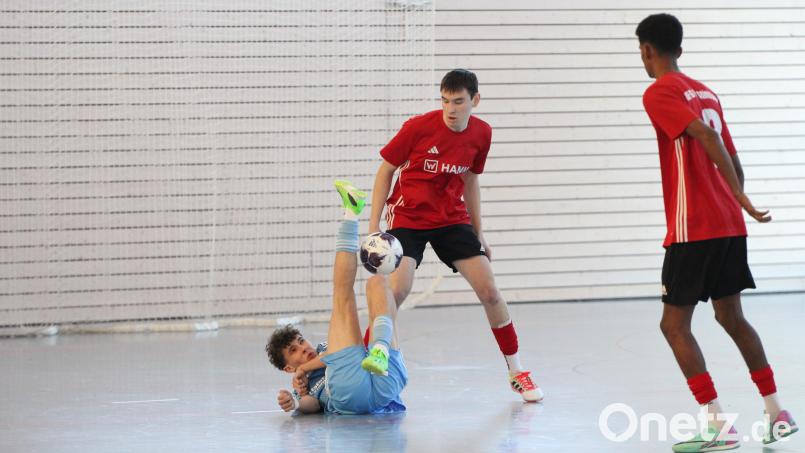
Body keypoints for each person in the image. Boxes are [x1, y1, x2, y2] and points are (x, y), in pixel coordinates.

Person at [636, 13, 798, 452]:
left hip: (695, 230)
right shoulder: (705, 91)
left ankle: (717, 423)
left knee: (674, 326)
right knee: (731, 315)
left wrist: (740, 200)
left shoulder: (659, 91)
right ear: (681, 49)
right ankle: (775, 412)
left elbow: (706, 138)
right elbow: (728, 148)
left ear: (647, 50)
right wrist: (738, 200)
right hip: (728, 226)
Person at [367, 69, 542, 402]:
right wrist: (374, 226)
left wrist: (480, 234)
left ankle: (517, 371)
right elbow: (386, 169)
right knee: (398, 289)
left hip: (451, 219)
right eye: (445, 101)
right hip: (409, 217)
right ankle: (375, 353)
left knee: (490, 291)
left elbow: (471, 181)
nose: (451, 109)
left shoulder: (482, 134)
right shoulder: (418, 128)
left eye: (459, 101)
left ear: (474, 101)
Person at [266, 180, 407, 415]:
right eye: (294, 351)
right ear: (289, 368)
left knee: (378, 280)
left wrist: (307, 367)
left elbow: (328, 355)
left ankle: (380, 348)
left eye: (301, 341)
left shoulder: (323, 350)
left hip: (387, 387)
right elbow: (312, 405)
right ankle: (351, 211)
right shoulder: (303, 384)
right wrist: (297, 402)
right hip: (348, 392)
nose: (303, 348)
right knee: (342, 296)